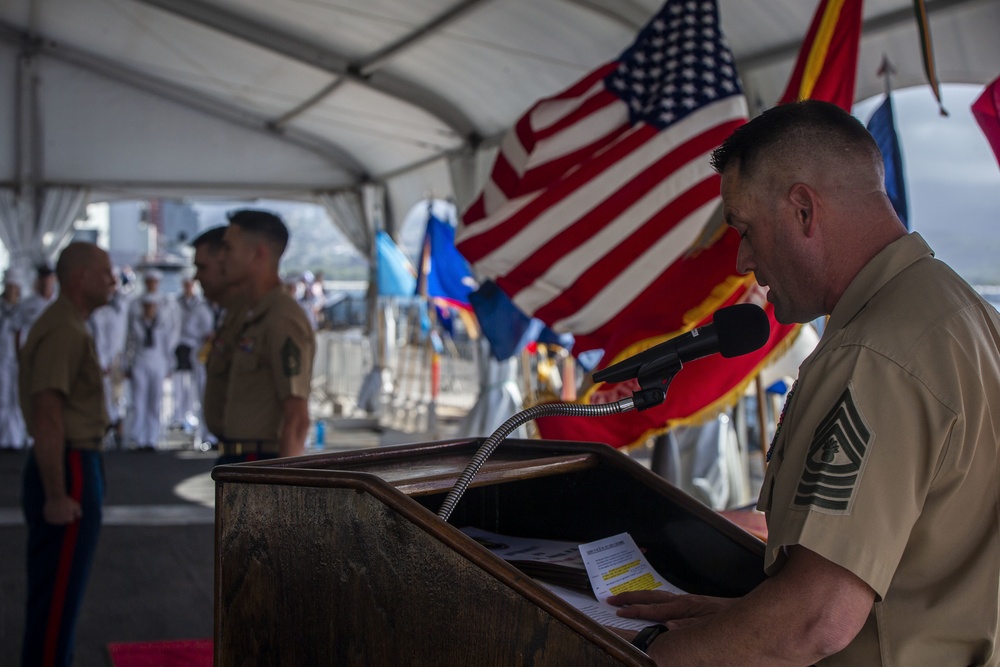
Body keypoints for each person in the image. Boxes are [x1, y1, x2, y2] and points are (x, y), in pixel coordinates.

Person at [608, 100, 1000, 665]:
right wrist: (730, 619)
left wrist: (650, 657)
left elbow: (818, 620)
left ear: (803, 211)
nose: (742, 261)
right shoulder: (965, 315)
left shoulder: (876, 356)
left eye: (744, 228)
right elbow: (919, 578)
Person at [19, 242, 115, 667]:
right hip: (70, 465)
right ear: (80, 278)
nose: (113, 280)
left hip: (78, 460)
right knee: (57, 599)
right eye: (106, 272)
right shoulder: (63, 328)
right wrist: (58, 493)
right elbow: (48, 412)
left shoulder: (69, 323)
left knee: (58, 593)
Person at [217, 209, 315, 463]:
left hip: (260, 460)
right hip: (238, 457)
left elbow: (297, 419)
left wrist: (282, 488)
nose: (221, 258)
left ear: (257, 253)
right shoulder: (251, 313)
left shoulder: (281, 318)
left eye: (228, 248)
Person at [190, 226, 244, 452]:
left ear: (225, 265)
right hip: (231, 448)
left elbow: (294, 415)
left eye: (202, 267)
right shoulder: (232, 317)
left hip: (254, 455)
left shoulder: (264, 318)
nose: (196, 277)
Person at [124, 296, 173, 451]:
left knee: (155, 401)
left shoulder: (162, 324)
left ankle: (152, 438)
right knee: (139, 401)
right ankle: (138, 437)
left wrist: (170, 366)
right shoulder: (135, 322)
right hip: (140, 362)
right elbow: (128, 344)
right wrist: (127, 365)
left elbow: (167, 346)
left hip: (157, 363)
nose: (150, 309)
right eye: (147, 306)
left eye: (152, 306)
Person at [171, 274, 213, 435]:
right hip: (180, 346)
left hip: (196, 348)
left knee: (199, 386)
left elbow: (206, 329)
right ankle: (180, 416)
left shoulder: (201, 305)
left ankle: (198, 422)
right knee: (180, 384)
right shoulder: (176, 304)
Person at [0, 268, 26, 450]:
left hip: (18, 360)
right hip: (2, 360)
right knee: (2, 397)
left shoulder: (23, 310)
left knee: (17, 398)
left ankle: (16, 438)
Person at [19, 263, 57, 335]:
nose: (46, 281)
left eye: (48, 277)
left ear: (55, 278)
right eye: (42, 277)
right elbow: (18, 330)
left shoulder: (60, 304)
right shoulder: (26, 305)